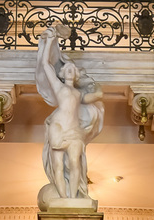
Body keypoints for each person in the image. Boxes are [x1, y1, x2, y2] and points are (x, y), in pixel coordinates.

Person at [37, 24, 104, 203]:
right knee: (57, 165)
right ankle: (64, 199)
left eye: (72, 69)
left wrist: (93, 86)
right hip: (58, 127)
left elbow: (98, 95)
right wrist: (50, 42)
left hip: (74, 131)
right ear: (61, 72)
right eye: (66, 68)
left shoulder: (78, 94)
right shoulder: (58, 88)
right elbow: (45, 65)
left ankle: (73, 198)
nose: (69, 70)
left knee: (75, 164)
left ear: (75, 74)